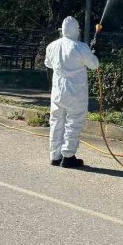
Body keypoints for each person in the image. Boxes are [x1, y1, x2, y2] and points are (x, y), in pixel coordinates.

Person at [44, 16, 99, 168]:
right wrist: (93, 52)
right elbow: (94, 65)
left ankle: (55, 156)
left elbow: (48, 63)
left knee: (56, 122)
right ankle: (68, 156)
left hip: (57, 92)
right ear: (76, 30)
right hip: (75, 92)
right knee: (73, 123)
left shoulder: (52, 46)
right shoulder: (80, 47)